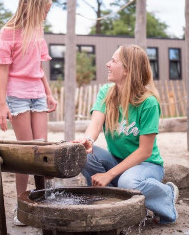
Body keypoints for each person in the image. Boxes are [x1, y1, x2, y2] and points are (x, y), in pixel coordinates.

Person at [76, 44, 179, 224]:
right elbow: (95, 124)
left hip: (146, 164)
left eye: (114, 61)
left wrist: (109, 175)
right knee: (82, 154)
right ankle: (109, 206)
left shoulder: (149, 103)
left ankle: (167, 194)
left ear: (127, 70)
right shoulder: (106, 93)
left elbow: (145, 151)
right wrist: (88, 140)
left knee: (128, 183)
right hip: (117, 160)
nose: (108, 64)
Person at [0, 0, 57, 226]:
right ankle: (21, 203)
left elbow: (39, 69)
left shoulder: (38, 31)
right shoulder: (9, 32)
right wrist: (1, 105)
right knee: (26, 151)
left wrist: (49, 94)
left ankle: (43, 200)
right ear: (29, 6)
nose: (46, 15)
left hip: (38, 93)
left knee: (42, 150)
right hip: (17, 95)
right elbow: (3, 70)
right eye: (44, 10)